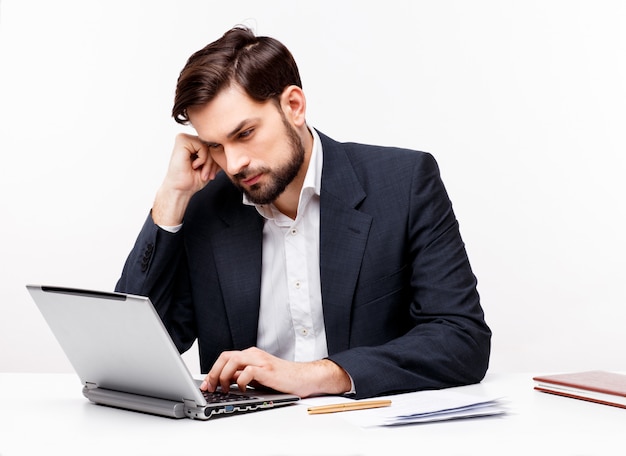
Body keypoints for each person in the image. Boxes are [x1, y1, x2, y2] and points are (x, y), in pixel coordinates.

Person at [116, 26, 491, 400]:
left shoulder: (404, 184)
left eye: (244, 133)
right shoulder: (207, 205)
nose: (233, 163)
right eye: (215, 145)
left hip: (366, 430)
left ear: (293, 106)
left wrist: (319, 375)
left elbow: (462, 339)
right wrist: (171, 199)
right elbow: (131, 357)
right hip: (244, 438)